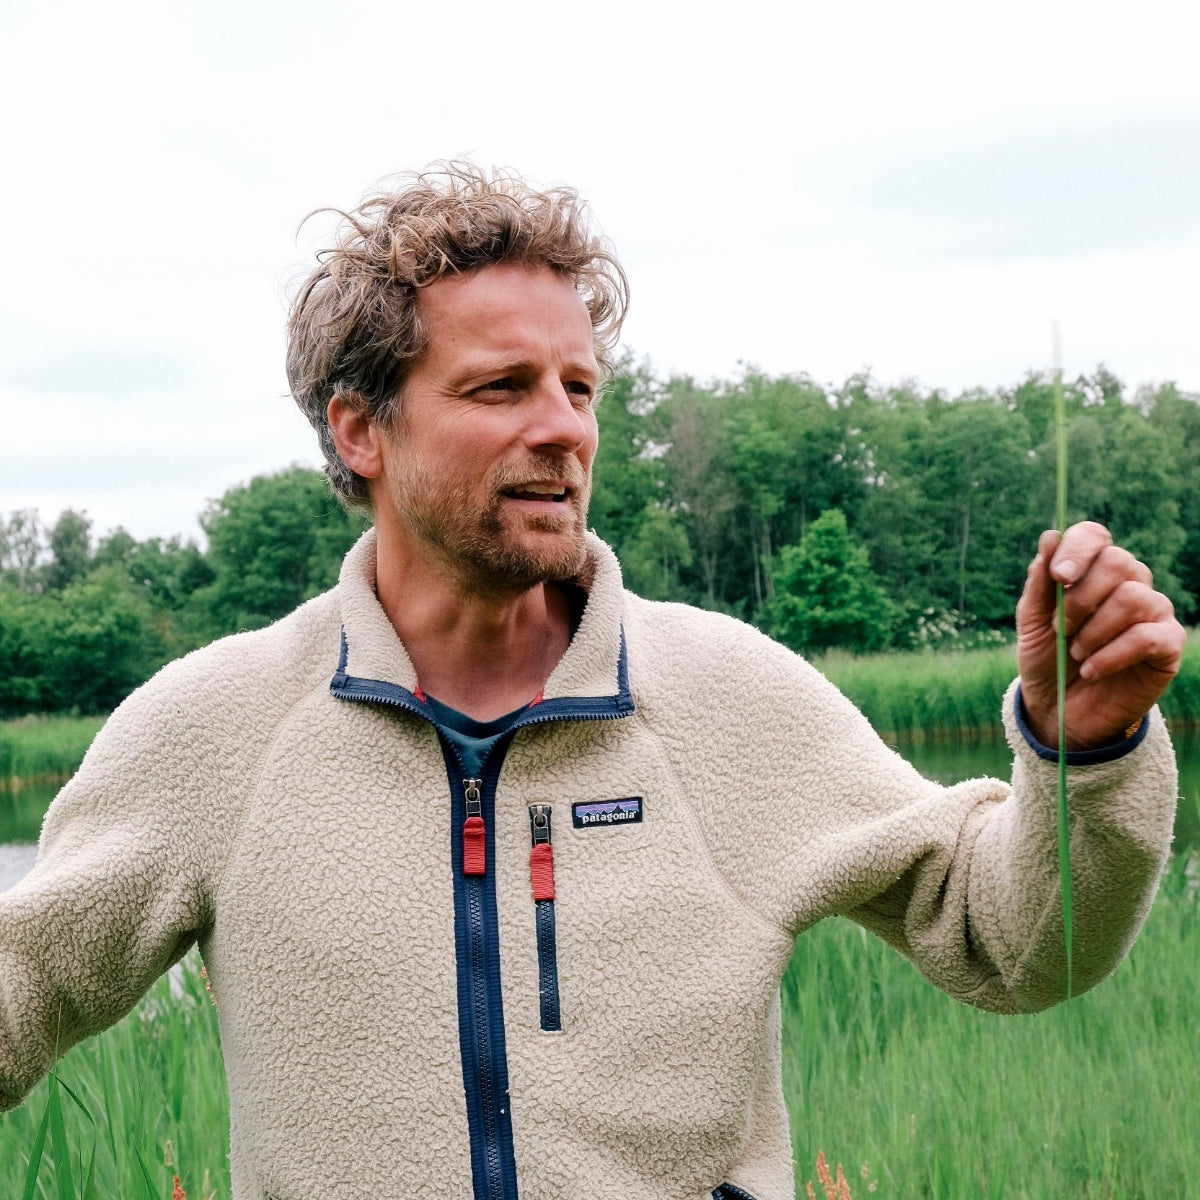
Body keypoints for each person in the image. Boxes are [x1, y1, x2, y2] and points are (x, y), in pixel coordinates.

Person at [0, 163, 1182, 1200]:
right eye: (501, 387)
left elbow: (1018, 946)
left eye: (580, 387)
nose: (564, 427)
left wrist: (1085, 755)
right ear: (361, 431)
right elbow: (23, 988)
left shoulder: (729, 701)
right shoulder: (217, 731)